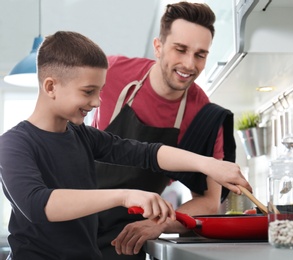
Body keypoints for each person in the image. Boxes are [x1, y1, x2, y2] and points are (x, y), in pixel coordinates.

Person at [0, 31, 251, 260]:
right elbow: (38, 204)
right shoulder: (13, 144)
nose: (97, 102)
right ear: (51, 86)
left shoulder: (83, 136)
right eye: (88, 91)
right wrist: (124, 196)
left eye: (99, 91)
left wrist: (210, 164)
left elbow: (147, 153)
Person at [91, 2, 239, 259]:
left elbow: (209, 202)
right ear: (158, 47)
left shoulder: (204, 116)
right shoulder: (110, 72)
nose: (189, 64)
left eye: (200, 54)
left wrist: (158, 224)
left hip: (125, 239)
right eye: (180, 49)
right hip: (75, 219)